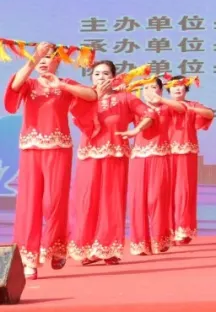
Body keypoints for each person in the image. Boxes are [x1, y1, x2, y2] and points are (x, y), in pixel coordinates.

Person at [4, 43, 97, 279]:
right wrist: (34, 57)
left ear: (59, 62)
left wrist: (62, 85)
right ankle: (28, 259)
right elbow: (14, 86)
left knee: (54, 201)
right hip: (31, 148)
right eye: (42, 58)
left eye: (50, 58)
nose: (45, 61)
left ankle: (55, 247)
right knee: (29, 203)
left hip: (59, 149)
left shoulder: (65, 84)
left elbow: (92, 95)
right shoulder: (29, 83)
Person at [69, 60, 155, 265]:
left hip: (115, 156)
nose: (101, 77)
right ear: (91, 78)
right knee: (87, 201)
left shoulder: (124, 97)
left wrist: (135, 130)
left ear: (113, 77)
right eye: (97, 74)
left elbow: (149, 113)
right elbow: (76, 116)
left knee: (111, 202)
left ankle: (108, 249)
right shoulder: (84, 98)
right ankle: (88, 248)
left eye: (106, 74)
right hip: (89, 156)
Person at [128, 77, 181, 256]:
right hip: (138, 158)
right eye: (146, 88)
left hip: (159, 157)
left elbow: (182, 108)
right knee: (138, 201)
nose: (150, 91)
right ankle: (140, 243)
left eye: (153, 87)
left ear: (161, 89)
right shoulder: (137, 109)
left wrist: (162, 100)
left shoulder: (168, 108)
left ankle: (160, 239)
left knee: (156, 199)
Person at [166, 76, 215, 245]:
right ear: (168, 90)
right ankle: (166, 230)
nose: (178, 89)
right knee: (165, 192)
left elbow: (209, 114)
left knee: (183, 191)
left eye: (181, 86)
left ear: (187, 89)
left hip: (186, 153)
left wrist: (188, 107)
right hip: (164, 153)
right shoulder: (163, 106)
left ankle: (183, 230)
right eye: (174, 87)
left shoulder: (193, 105)